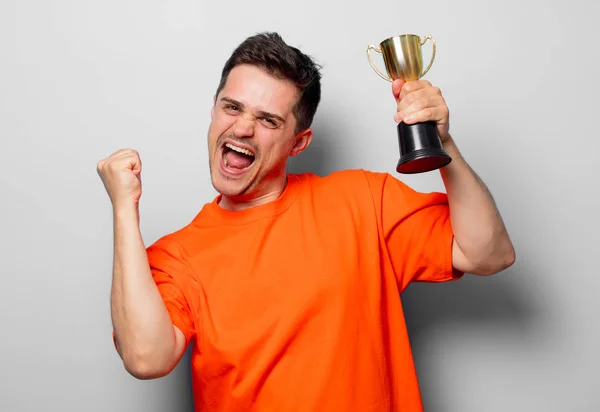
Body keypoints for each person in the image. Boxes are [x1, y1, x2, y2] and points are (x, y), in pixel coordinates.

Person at [97, 32, 515, 411]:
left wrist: (444, 143)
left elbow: (488, 253)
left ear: (299, 141)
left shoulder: (364, 201)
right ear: (214, 109)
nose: (242, 128)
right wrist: (123, 209)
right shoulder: (177, 256)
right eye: (232, 107)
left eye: (268, 120)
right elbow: (146, 357)